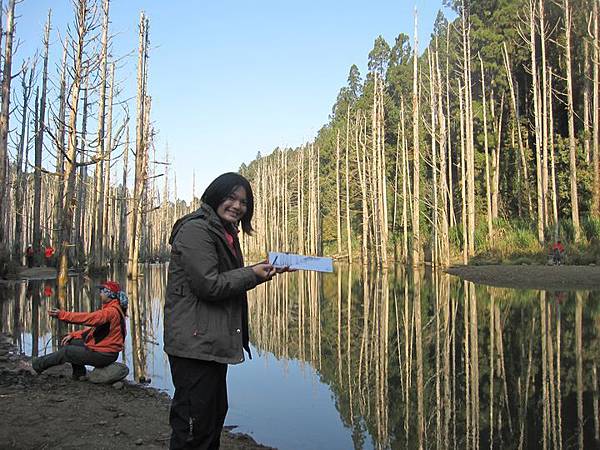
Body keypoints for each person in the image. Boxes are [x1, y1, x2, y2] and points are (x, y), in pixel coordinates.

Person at [164, 172, 290, 450]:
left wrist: (261, 270)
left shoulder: (223, 231)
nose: (237, 206)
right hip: (193, 343)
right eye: (231, 197)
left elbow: (227, 279)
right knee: (193, 425)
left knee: (211, 417)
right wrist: (254, 274)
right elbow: (209, 285)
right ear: (215, 195)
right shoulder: (196, 230)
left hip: (208, 340)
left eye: (243, 201)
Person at [32, 280, 128, 380]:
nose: (100, 294)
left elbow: (88, 318)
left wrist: (62, 314)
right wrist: (74, 335)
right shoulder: (113, 308)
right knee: (70, 341)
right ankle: (79, 374)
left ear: (109, 294)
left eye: (102, 291)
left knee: (67, 352)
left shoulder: (111, 312)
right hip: (105, 351)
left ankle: (37, 365)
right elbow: (96, 330)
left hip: (105, 354)